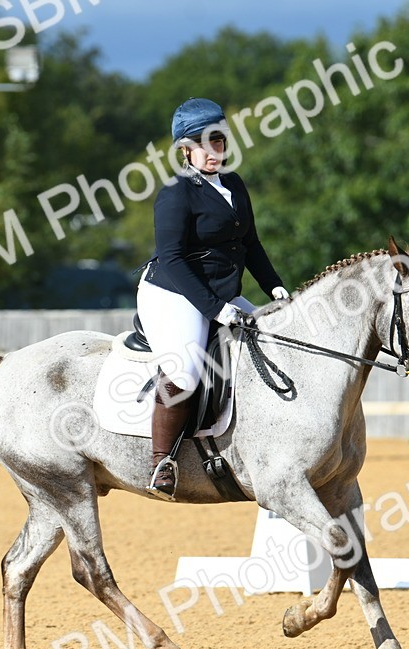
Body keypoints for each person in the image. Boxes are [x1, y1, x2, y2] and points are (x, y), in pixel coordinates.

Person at [137, 97, 290, 500]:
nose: (214, 150)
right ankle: (162, 463)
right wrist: (215, 308)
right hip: (172, 292)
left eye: (219, 140)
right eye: (205, 143)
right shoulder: (176, 193)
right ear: (186, 149)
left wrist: (275, 286)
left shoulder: (234, 184)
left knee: (275, 343)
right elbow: (171, 258)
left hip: (223, 294)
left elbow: (251, 244)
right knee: (185, 372)